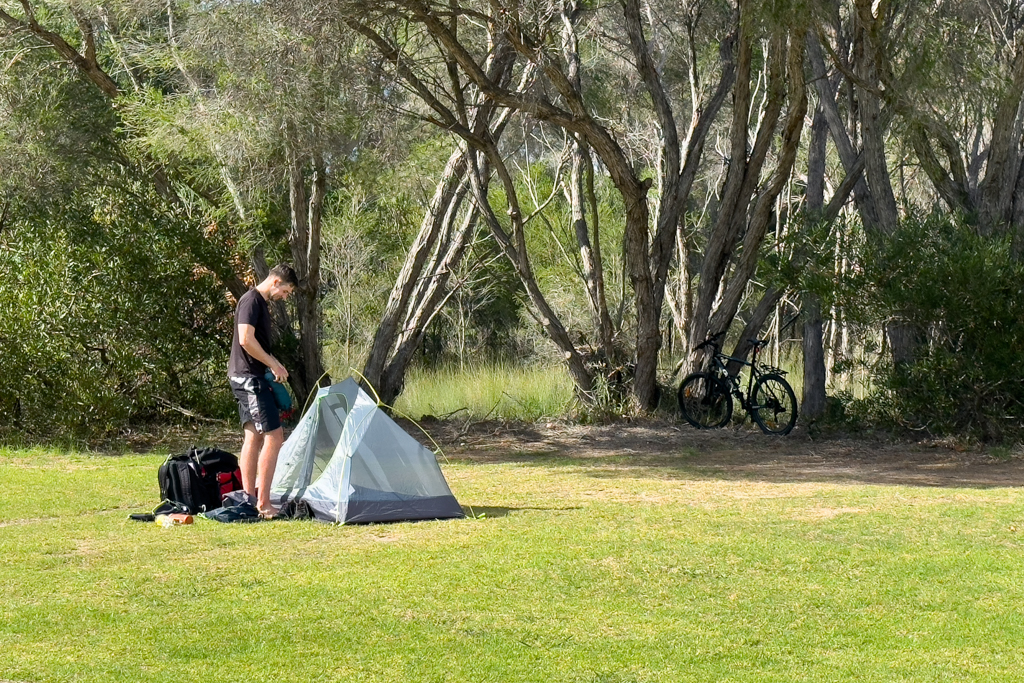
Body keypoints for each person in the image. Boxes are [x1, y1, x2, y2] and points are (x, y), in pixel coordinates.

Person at [227, 264, 298, 518]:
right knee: (275, 436)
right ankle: (264, 504)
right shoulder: (251, 300)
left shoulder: (259, 303)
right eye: (286, 291)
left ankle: (249, 500)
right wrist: (274, 364)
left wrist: (271, 364)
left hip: (248, 376)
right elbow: (245, 339)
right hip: (249, 379)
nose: (285, 297)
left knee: (254, 437)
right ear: (276, 282)